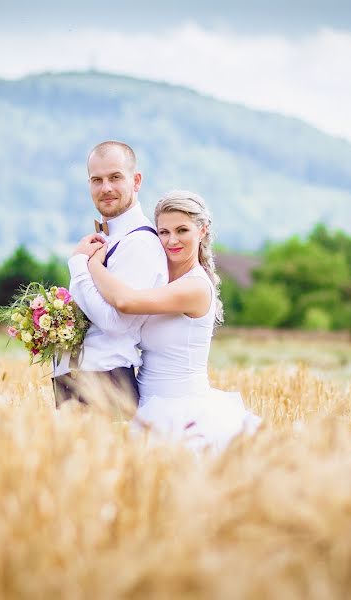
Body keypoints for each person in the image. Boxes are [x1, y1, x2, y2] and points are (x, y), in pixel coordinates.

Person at [77, 190, 261, 453]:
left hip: (182, 410)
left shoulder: (196, 287)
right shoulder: (159, 278)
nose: (171, 240)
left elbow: (126, 302)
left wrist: (89, 263)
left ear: (202, 231)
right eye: (163, 232)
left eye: (182, 230)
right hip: (143, 403)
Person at [55, 141, 168, 407]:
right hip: (80, 378)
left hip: (107, 381)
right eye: (97, 180)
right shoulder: (109, 237)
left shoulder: (140, 243)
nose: (105, 188)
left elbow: (116, 323)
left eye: (115, 177)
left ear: (136, 180)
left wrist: (79, 264)